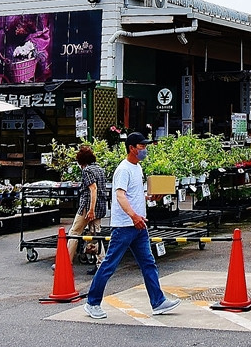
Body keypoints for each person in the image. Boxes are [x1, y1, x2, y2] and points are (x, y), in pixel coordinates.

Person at [85, 134, 181, 319]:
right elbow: (120, 195)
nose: (145, 149)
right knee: (109, 265)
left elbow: (133, 193)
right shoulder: (123, 169)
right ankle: (92, 302)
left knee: (148, 263)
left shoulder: (137, 167)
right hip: (124, 226)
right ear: (131, 148)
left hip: (139, 225)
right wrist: (133, 216)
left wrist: (149, 198)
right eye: (141, 146)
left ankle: (158, 301)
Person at [68, 146, 108, 259]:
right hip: (100, 206)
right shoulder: (100, 169)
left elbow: (93, 189)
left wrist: (91, 210)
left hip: (88, 206)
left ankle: (66, 261)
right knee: (95, 234)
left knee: (74, 232)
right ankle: (101, 263)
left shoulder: (87, 171)